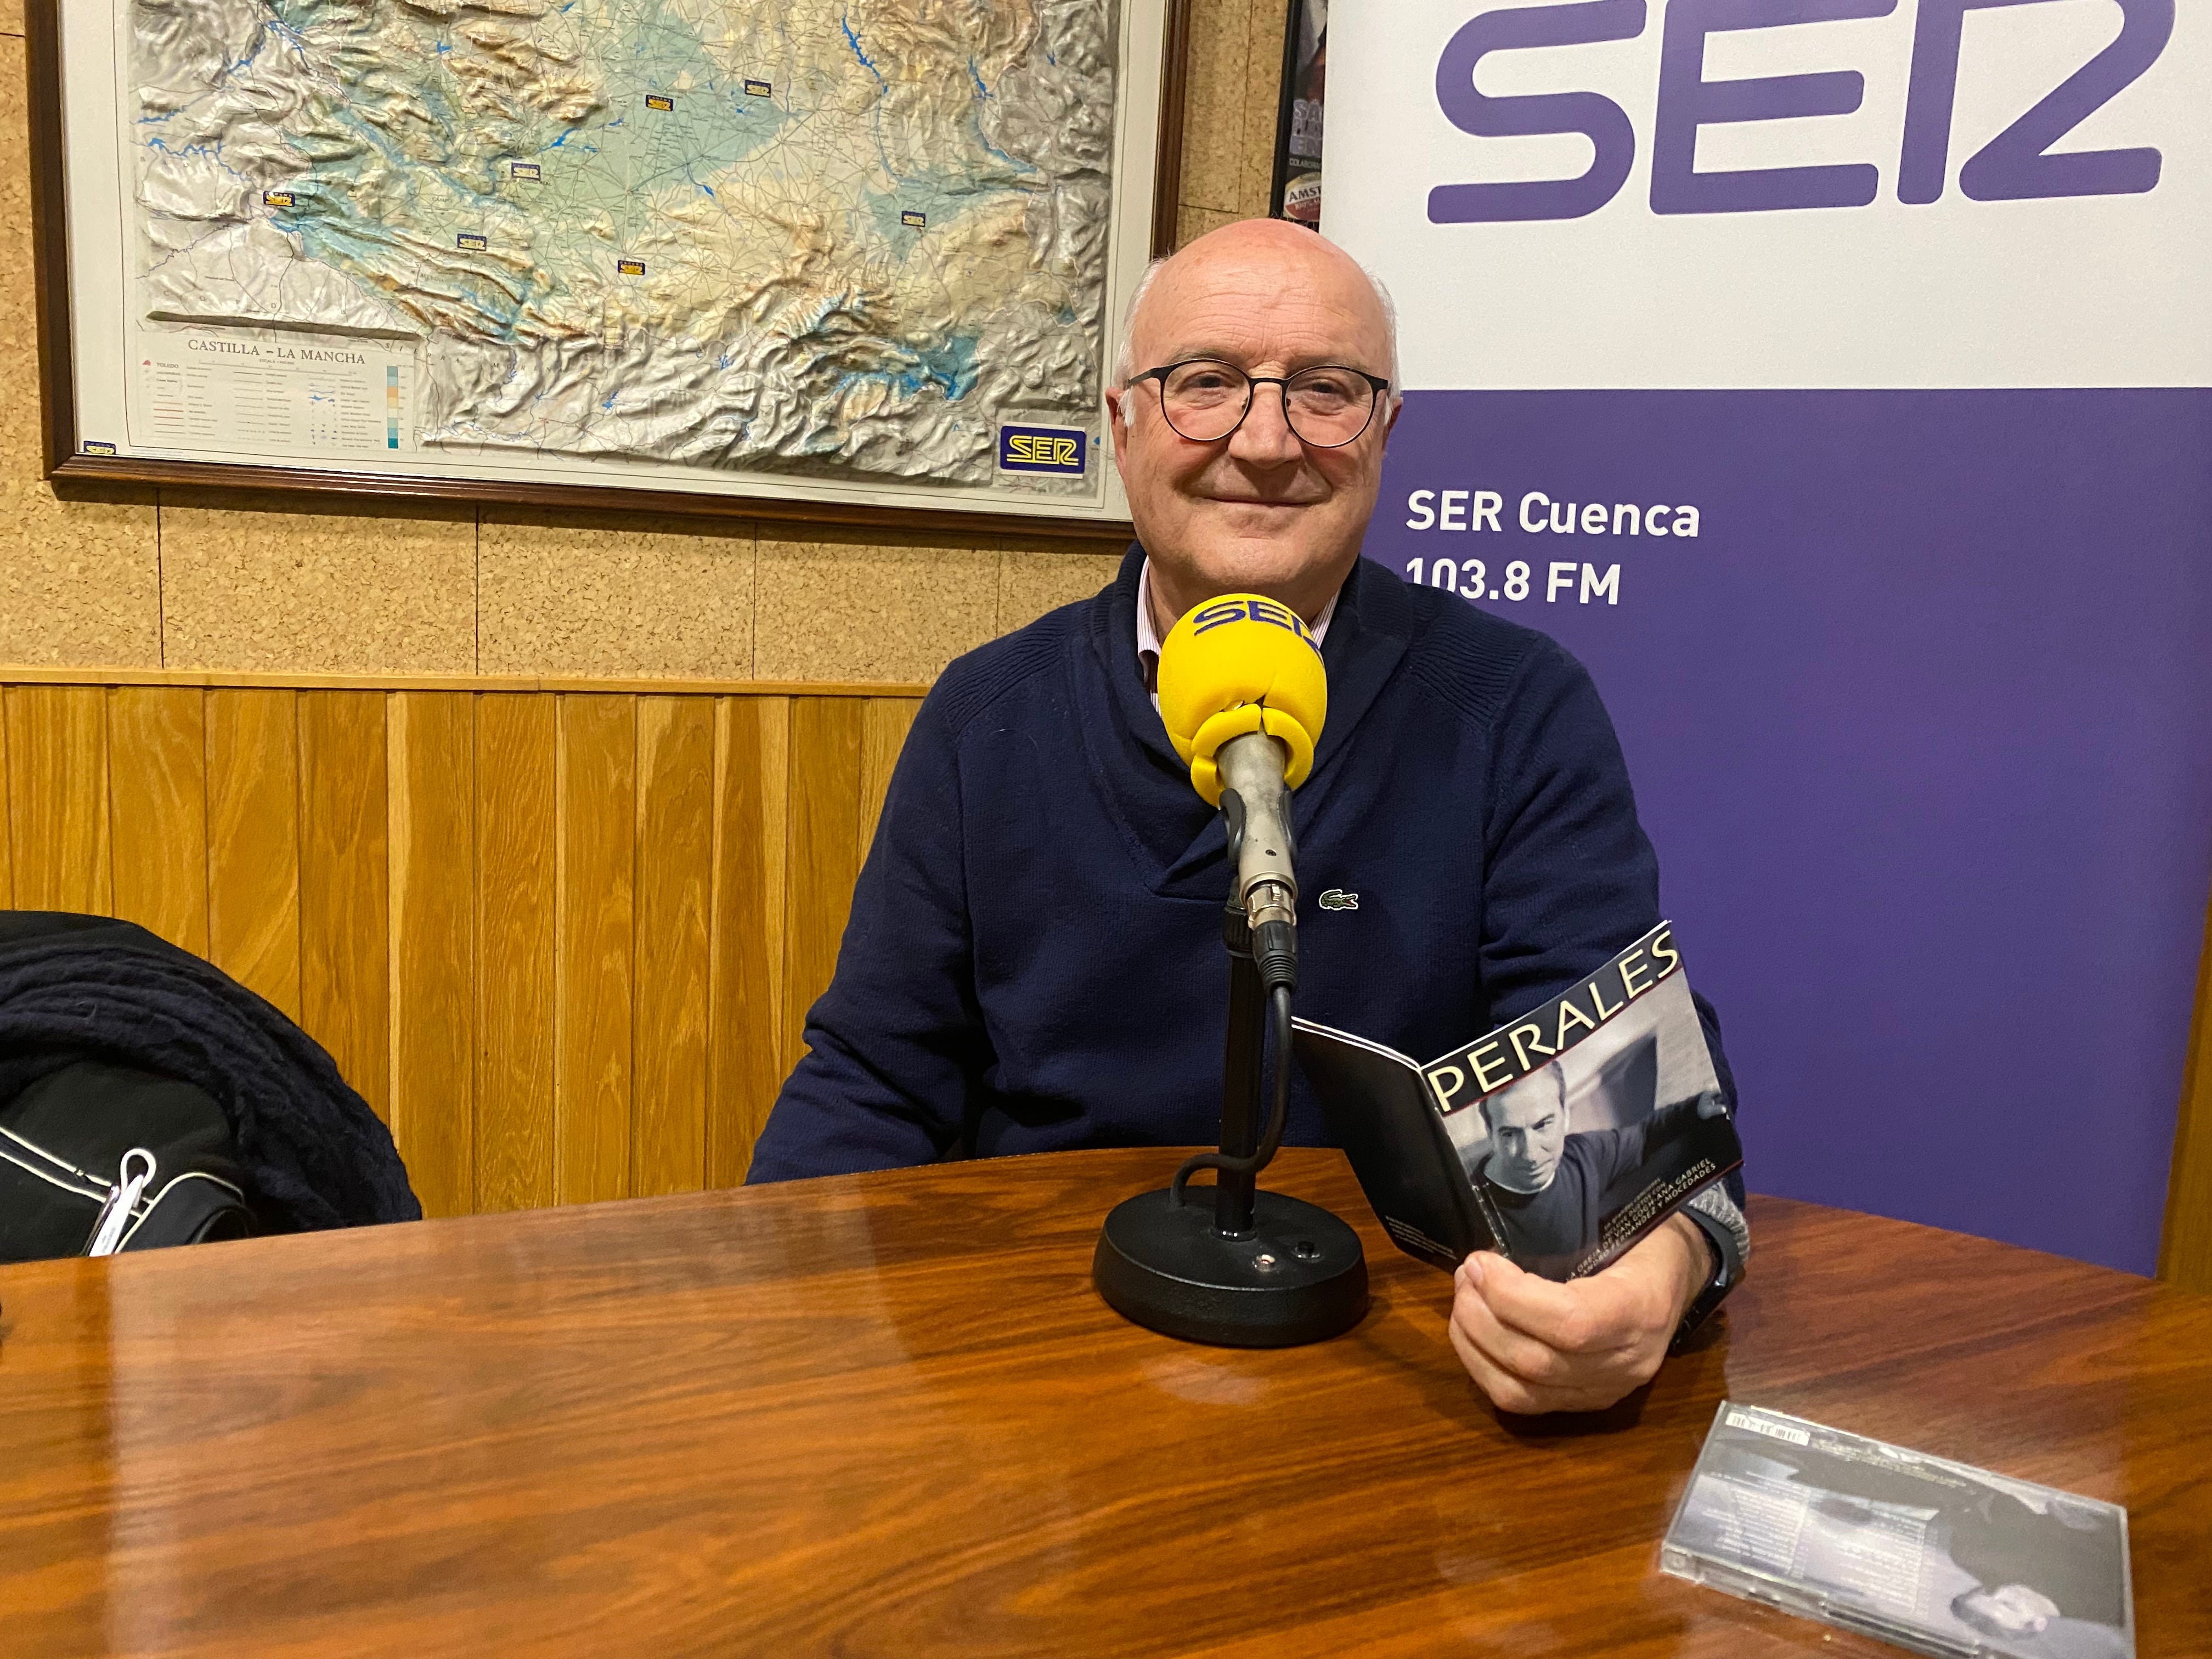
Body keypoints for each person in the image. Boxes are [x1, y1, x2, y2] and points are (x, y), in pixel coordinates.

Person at [746, 218, 1749, 1414]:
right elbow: (873, 1077)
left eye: (1326, 391)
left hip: (1403, 1365)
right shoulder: (987, 712)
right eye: (1206, 384)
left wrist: (1657, 1275)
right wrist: (777, 1339)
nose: (1265, 442)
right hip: (1025, 1355)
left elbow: (1618, 1086)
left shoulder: (1514, 706)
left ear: (1384, 434)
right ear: (1123, 424)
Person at [1471, 1059, 1733, 1277]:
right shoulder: (1472, 1204)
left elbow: (1643, 1136)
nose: (1530, 1153)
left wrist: (1693, 1110)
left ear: (1566, 1117)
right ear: (1490, 1133)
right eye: (1509, 1135)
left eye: (1543, 1125)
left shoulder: (1583, 1154)